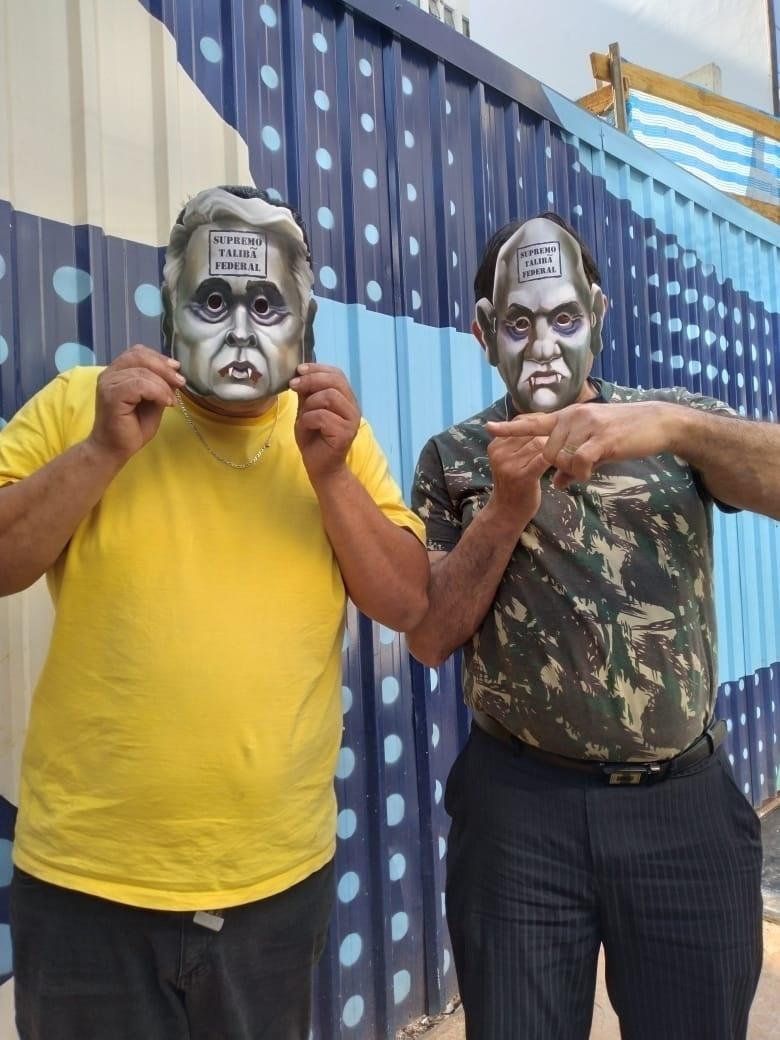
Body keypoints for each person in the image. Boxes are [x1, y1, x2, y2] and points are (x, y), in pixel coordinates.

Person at [0, 185, 429, 1040]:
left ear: (303, 316)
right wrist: (102, 450)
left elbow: (408, 602)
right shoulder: (86, 402)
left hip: (271, 888)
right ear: (172, 309)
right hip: (90, 886)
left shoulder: (334, 438)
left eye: (265, 304)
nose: (240, 332)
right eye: (213, 301)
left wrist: (334, 476)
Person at [409, 212, 779, 1040]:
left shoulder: (672, 423)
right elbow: (429, 636)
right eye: (517, 322)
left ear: (599, 316)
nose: (542, 345)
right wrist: (505, 510)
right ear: (482, 333)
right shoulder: (454, 457)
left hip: (681, 808)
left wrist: (677, 426)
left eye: (564, 319)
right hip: (519, 814)